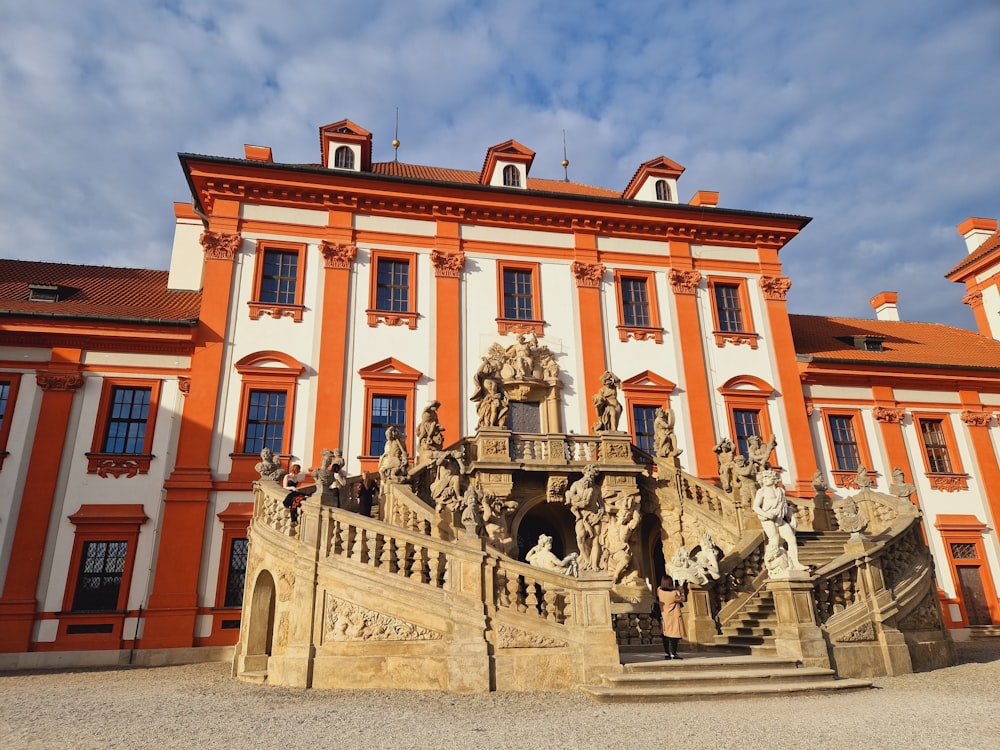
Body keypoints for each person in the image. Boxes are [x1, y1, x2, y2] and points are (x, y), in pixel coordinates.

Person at [656, 576, 687, 660]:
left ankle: (667, 653)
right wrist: (681, 590)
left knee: (665, 635)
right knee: (674, 636)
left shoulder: (659, 591)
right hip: (673, 616)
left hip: (664, 616)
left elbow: (659, 589)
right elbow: (683, 599)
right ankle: (674, 653)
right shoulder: (673, 594)